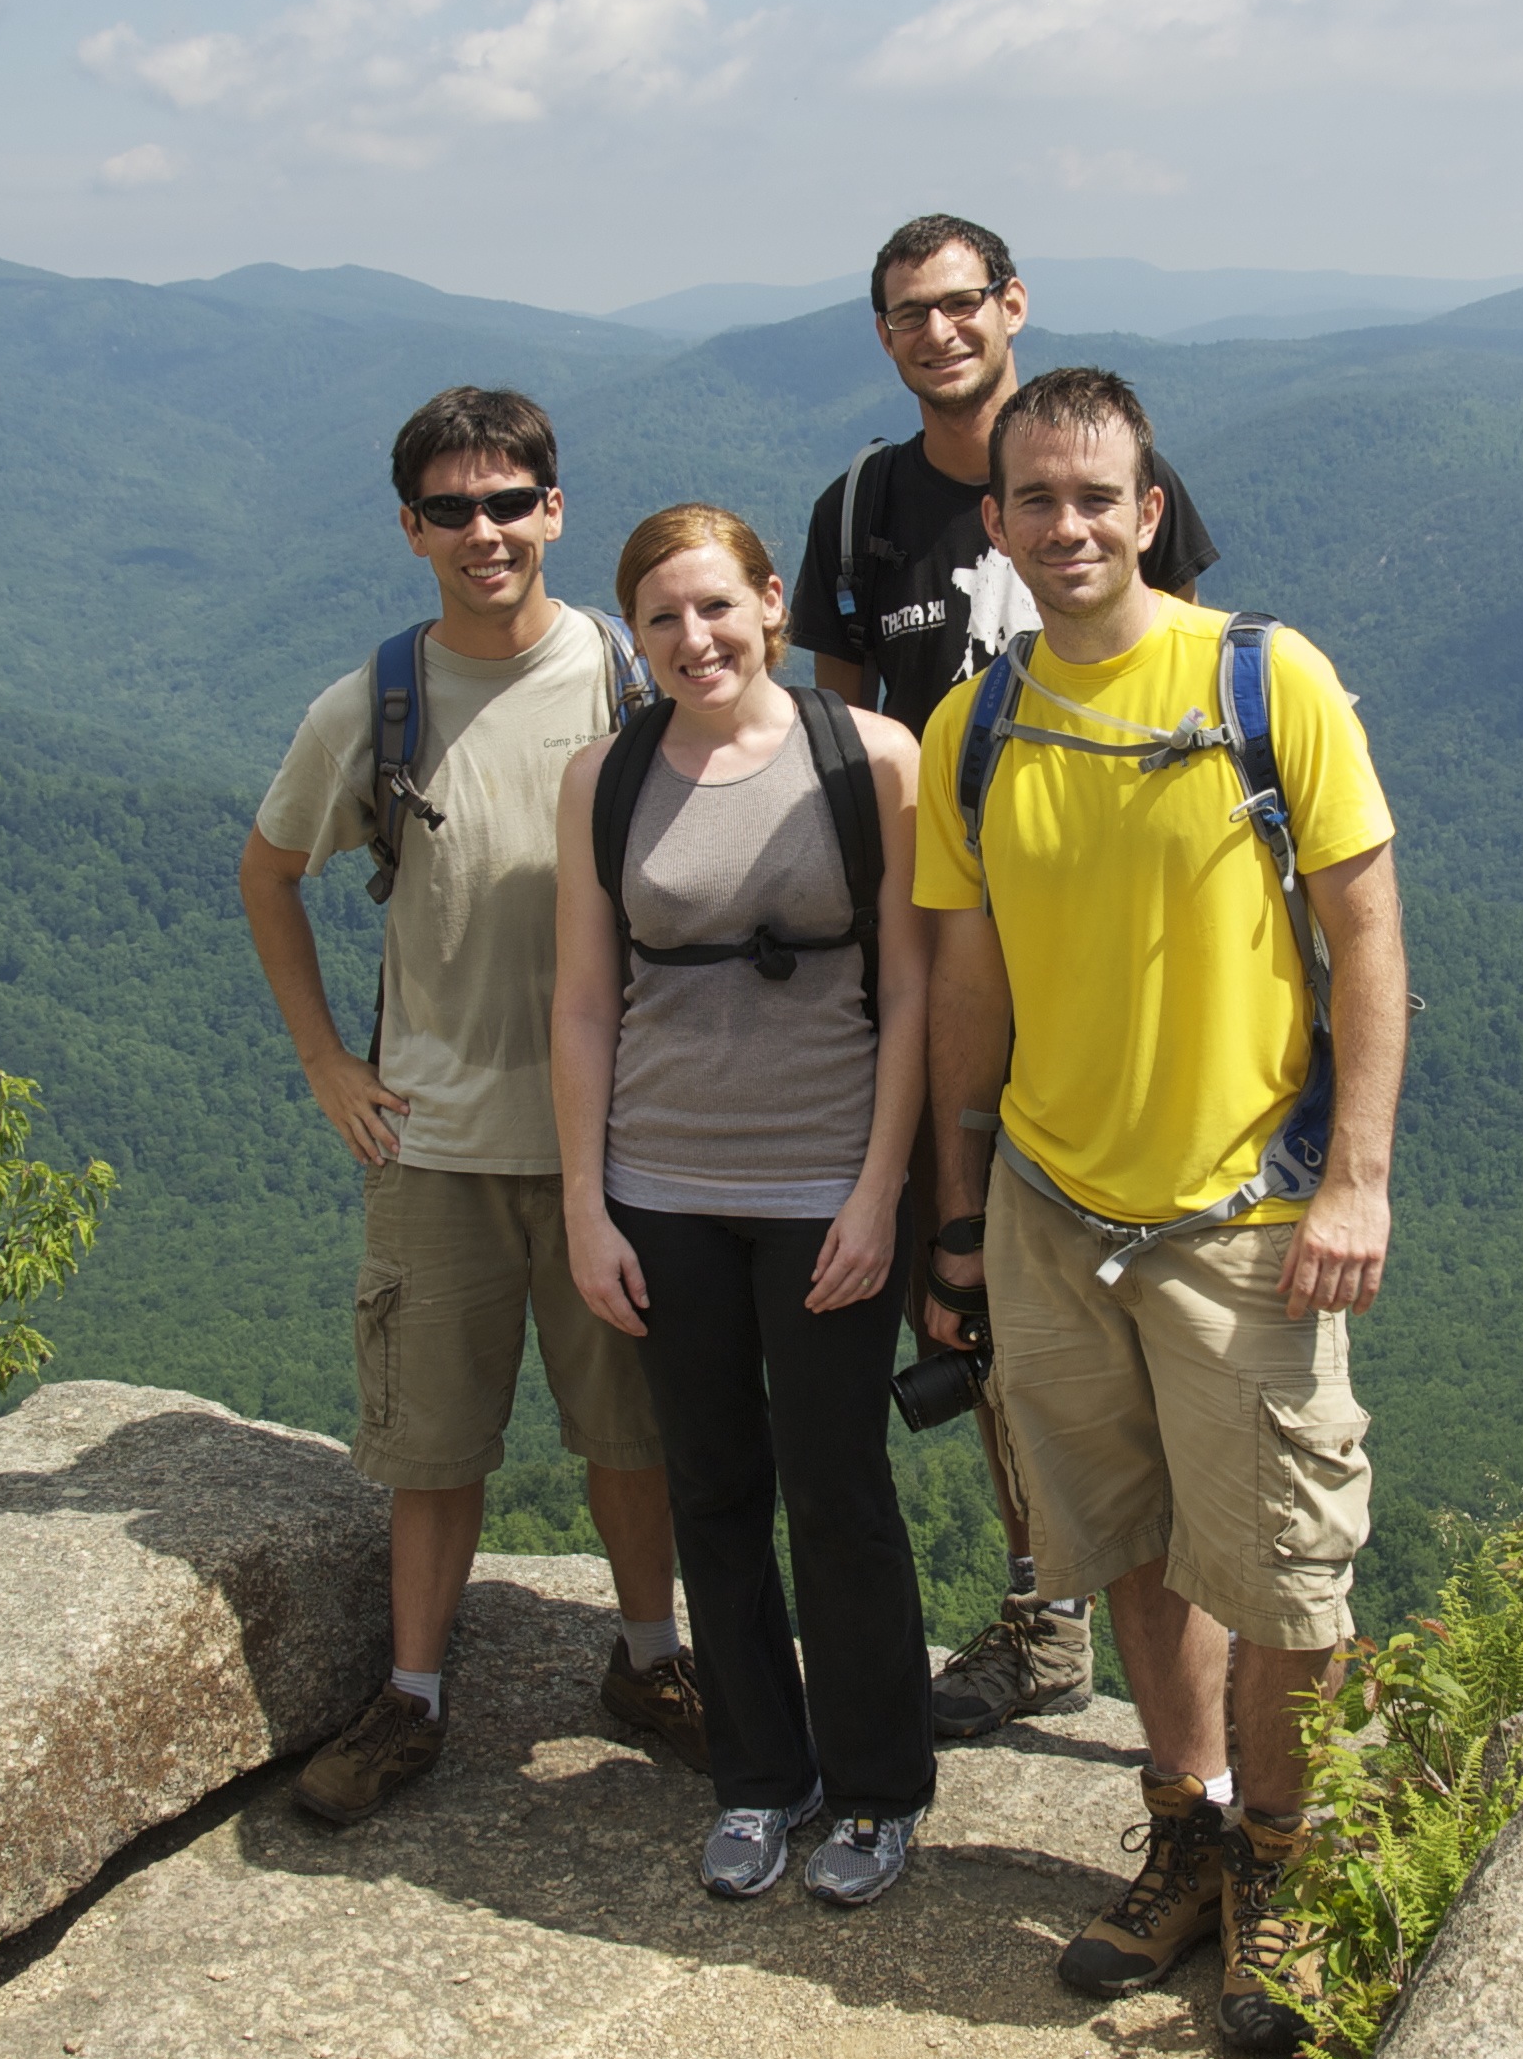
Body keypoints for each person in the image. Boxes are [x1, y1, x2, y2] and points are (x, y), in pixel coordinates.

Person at [913, 365, 1405, 2057]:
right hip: (1052, 1206)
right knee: (1124, 1542)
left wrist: (1358, 1178)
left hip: (1243, 1218)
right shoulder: (975, 727)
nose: (1068, 526)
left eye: (1096, 497)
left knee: (1285, 1576)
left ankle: (1283, 1858)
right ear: (995, 524)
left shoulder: (1267, 680)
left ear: (1150, 508)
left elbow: (1368, 936)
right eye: (1035, 501)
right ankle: (1185, 1827)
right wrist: (958, 1212)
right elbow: (968, 982)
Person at [789, 212, 1223, 1747]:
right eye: (909, 312)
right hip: (948, 939)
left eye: (960, 302)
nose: (939, 331)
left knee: (1168, 1281)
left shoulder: (1095, 469)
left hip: (1120, 946)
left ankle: (1196, 1628)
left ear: (1013, 305)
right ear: (885, 334)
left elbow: (1197, 672)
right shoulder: (860, 513)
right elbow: (843, 738)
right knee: (971, 1282)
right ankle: (1050, 1613)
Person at [239, 385, 701, 1827]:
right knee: (430, 1449)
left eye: (509, 503)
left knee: (631, 1431)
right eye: (452, 509)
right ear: (412, 528)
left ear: (554, 510)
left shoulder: (632, 680)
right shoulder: (371, 707)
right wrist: (328, 1064)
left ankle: (652, 1660)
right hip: (433, 1143)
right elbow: (269, 873)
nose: (483, 532)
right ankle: (414, 1695)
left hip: (618, 1145)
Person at [552, 505, 936, 1906]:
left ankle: (879, 1788)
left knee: (839, 1491)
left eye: (716, 606)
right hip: (660, 1185)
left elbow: (913, 989)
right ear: (634, 636)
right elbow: (583, 1000)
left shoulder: (870, 759)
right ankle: (760, 1777)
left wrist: (882, 1193)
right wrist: (587, 1206)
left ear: (773, 602)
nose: (693, 638)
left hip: (828, 1180)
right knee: (712, 1488)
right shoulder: (604, 776)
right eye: (660, 618)